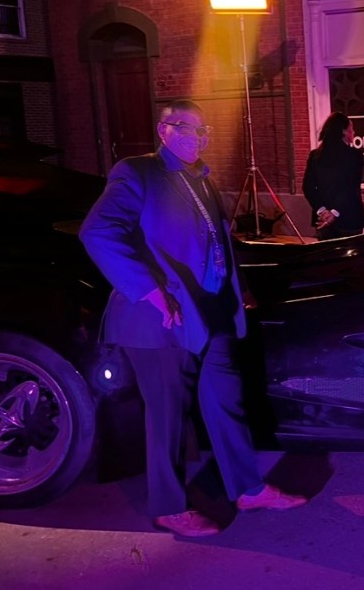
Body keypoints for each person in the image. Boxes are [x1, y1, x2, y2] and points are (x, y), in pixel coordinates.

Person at [80, 100, 307, 538]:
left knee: (226, 400)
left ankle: (248, 487)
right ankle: (168, 506)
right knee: (167, 415)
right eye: (189, 129)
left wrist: (237, 287)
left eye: (204, 131)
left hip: (211, 311)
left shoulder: (201, 179)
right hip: (160, 320)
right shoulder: (138, 172)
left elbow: (215, 241)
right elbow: (98, 231)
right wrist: (149, 290)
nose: (199, 138)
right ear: (164, 130)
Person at [303, 111, 364, 240]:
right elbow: (350, 188)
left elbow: (308, 188)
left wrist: (323, 211)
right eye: (351, 129)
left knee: (327, 258)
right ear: (344, 131)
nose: (353, 132)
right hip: (349, 217)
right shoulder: (354, 155)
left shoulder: (315, 155)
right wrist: (334, 213)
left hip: (323, 220)